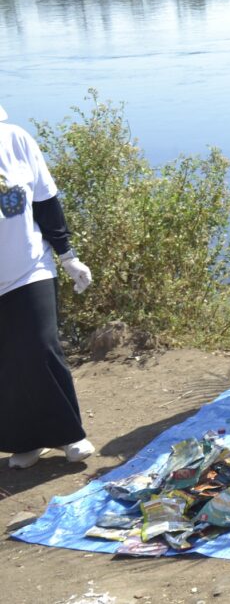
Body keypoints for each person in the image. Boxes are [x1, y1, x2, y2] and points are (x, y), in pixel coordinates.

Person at [1, 102, 96, 469]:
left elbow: (46, 203)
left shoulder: (16, 140)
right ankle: (24, 441)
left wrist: (68, 256)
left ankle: (69, 435)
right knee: (7, 360)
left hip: (28, 266)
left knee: (42, 347)